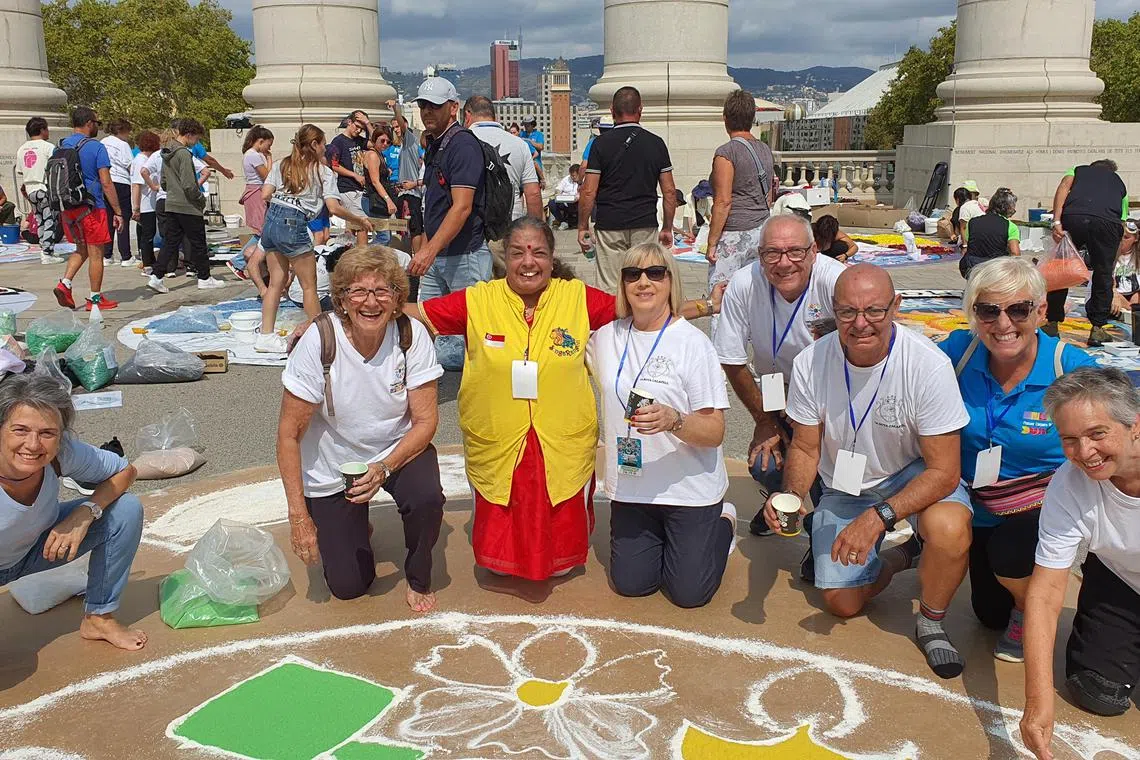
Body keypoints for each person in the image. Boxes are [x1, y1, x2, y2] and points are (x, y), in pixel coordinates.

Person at [410, 216, 724, 581]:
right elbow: (416, 316)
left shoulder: (576, 297)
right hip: (498, 434)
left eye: (539, 253)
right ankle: (503, 562)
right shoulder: (478, 300)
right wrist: (361, 313)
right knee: (504, 506)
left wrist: (705, 306)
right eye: (518, 253)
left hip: (559, 436)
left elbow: (646, 310)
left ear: (552, 257)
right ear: (504, 257)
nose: (529, 262)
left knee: (562, 514)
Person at [763, 264, 975, 679]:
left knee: (949, 528)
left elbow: (945, 472)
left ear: (896, 306)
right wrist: (785, 497)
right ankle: (901, 557)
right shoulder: (810, 363)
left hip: (912, 474)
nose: (861, 324)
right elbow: (806, 446)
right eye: (847, 312)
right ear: (833, 311)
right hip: (847, 482)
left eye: (874, 311)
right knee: (842, 603)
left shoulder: (927, 365)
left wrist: (876, 519)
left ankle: (931, 620)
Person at [938, 258, 1095, 665]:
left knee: (1011, 553)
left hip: (1042, 502)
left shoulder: (1070, 369)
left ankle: (1030, 607)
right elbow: (898, 367)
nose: (1003, 322)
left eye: (1018, 309)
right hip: (979, 502)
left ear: (1041, 312)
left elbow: (1117, 426)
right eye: (989, 310)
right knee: (988, 615)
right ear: (974, 314)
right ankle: (919, 551)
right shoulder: (959, 352)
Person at [279, 246, 444, 611]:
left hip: (396, 450)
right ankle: (353, 528)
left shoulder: (410, 335)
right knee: (348, 586)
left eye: (383, 291)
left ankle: (418, 576)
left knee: (426, 497)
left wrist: (384, 466)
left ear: (398, 298)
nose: (371, 302)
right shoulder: (319, 341)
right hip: (334, 461)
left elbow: (426, 422)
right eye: (358, 291)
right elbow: (289, 435)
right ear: (341, 299)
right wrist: (299, 517)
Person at [587, 243, 734, 608]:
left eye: (655, 273)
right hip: (633, 487)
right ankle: (677, 543)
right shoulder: (605, 337)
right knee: (632, 585)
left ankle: (723, 522)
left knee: (688, 595)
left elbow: (714, 431)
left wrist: (675, 420)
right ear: (622, 285)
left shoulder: (693, 344)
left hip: (688, 490)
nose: (643, 282)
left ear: (671, 281)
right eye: (632, 274)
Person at [1020, 368, 1140, 758]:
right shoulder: (1069, 484)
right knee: (1097, 691)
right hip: (1121, 577)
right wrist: (1038, 702)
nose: (1084, 452)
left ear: (1134, 424)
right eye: (1069, 440)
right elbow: (1047, 591)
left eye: (1097, 434)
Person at [715, 214, 844, 536]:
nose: (783, 263)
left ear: (814, 251)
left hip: (832, 390)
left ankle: (824, 526)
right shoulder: (744, 283)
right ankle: (780, 500)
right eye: (772, 253)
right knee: (764, 463)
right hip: (776, 385)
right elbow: (731, 359)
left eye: (795, 252)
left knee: (831, 472)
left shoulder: (837, 281)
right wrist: (765, 420)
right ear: (760, 256)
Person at [0, 374, 146, 650]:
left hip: (36, 549)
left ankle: (99, 618)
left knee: (125, 509)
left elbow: (126, 471)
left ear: (60, 437)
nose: (32, 445)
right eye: (19, 430)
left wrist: (86, 512)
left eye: (47, 433)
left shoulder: (62, 453)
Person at [255, 124, 373, 353]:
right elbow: (333, 207)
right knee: (309, 286)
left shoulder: (281, 164)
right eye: (323, 143)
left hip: (271, 220)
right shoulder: (322, 171)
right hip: (294, 222)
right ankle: (321, 337)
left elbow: (265, 194)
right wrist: (359, 220)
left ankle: (265, 336)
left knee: (275, 283)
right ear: (315, 145)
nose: (326, 148)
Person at [578, 86, 677, 292]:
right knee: (644, 284)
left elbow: (589, 191)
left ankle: (613, 323)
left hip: (609, 223)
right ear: (640, 110)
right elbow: (669, 192)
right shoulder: (656, 144)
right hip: (644, 223)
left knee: (610, 288)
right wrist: (667, 227)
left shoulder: (600, 144)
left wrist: (582, 226)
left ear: (612, 111)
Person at [410, 77, 491, 299]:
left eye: (435, 105)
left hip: (464, 256)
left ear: (454, 107)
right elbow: (434, 204)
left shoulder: (462, 145)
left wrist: (428, 251)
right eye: (422, 105)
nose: (427, 111)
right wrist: (428, 250)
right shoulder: (437, 144)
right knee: (432, 324)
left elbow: (462, 207)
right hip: (438, 255)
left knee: (468, 328)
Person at [1046, 159, 1130, 346]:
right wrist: (1111, 265)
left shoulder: (1077, 170)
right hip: (1107, 223)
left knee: (1061, 268)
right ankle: (1097, 328)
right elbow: (1122, 223)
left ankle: (1052, 323)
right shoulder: (1119, 183)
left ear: (1093, 167)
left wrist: (1057, 221)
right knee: (1102, 275)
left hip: (1074, 216)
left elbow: (1063, 187)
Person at [53, 106, 125, 312]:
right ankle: (95, 299)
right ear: (88, 123)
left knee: (80, 249)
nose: (97, 127)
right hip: (92, 208)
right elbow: (106, 182)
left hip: (67, 208)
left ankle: (64, 283)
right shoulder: (96, 147)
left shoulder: (59, 146)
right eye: (96, 123)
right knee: (96, 254)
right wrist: (118, 211)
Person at [705, 89, 776, 293]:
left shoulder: (726, 153)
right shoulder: (764, 149)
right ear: (752, 117)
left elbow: (723, 202)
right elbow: (769, 195)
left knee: (723, 295)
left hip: (734, 233)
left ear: (725, 118)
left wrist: (711, 243)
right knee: (756, 294)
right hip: (761, 230)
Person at [464, 96, 542, 276]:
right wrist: (537, 233)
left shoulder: (462, 142)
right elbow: (533, 194)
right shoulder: (519, 144)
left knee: (477, 293)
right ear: (493, 115)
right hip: (509, 228)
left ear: (468, 115)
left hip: (470, 231)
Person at [146, 118, 225, 292]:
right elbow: (189, 184)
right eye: (196, 139)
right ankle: (204, 277)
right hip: (187, 205)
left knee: (171, 241)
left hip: (171, 202)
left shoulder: (166, 152)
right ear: (189, 135)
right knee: (198, 242)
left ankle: (157, 276)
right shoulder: (183, 153)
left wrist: (172, 189)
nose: (196, 142)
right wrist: (199, 198)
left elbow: (164, 181)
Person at [14, 116, 60, 264]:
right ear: (42, 130)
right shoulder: (48, 147)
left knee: (40, 219)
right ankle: (47, 253)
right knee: (49, 220)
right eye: (46, 128)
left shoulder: (22, 149)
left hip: (30, 188)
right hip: (44, 187)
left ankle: (44, 249)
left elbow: (20, 171)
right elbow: (56, 168)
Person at [237, 125, 274, 297]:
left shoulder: (255, 154)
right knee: (261, 229)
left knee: (263, 229)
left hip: (258, 191)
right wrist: (270, 159)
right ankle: (237, 260)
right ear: (260, 141)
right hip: (256, 192)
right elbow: (268, 175)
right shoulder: (253, 155)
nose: (269, 148)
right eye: (268, 144)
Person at [326, 112, 371, 248]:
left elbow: (375, 142)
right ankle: (362, 255)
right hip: (347, 187)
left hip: (359, 188)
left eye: (361, 129)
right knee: (362, 223)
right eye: (357, 126)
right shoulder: (338, 141)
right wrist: (354, 175)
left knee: (352, 224)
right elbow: (334, 165)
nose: (358, 130)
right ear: (349, 123)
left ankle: (348, 253)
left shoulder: (359, 140)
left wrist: (368, 123)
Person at [387, 99, 426, 254]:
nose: (396, 130)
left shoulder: (410, 142)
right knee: (404, 230)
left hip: (412, 194)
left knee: (415, 229)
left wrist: (395, 108)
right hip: (403, 193)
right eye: (393, 128)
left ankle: (416, 258)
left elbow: (402, 126)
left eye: (397, 126)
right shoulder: (401, 146)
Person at [960, 187, 1020, 278]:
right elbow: (1015, 253)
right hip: (996, 270)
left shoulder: (972, 222)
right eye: (1013, 209)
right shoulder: (1011, 226)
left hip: (972, 268)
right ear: (1007, 209)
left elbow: (970, 242)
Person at [100, 118, 135, 266]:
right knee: (123, 217)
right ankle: (125, 255)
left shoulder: (102, 143)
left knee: (108, 219)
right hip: (121, 181)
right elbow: (129, 165)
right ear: (121, 131)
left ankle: (107, 254)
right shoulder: (123, 145)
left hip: (105, 181)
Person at [129, 130, 161, 275]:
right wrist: (136, 207)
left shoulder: (144, 159)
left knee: (149, 233)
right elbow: (136, 185)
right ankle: (147, 264)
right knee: (147, 235)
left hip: (150, 202)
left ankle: (149, 260)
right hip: (145, 204)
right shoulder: (140, 160)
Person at [363, 125, 398, 228]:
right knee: (383, 237)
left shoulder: (380, 154)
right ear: (375, 139)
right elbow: (375, 181)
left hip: (378, 198)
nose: (385, 144)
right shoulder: (373, 155)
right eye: (382, 140)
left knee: (385, 235)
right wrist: (388, 200)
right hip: (372, 199)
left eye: (388, 142)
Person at [1110, 220, 1140, 317]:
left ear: (1135, 239)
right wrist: (1115, 294)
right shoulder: (1109, 254)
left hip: (1133, 294)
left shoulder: (1137, 255)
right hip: (1115, 294)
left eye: (1126, 238)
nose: (1121, 241)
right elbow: (1103, 280)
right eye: (1120, 237)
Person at [550, 164, 581, 229]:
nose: (572, 177)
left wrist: (577, 198)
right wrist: (557, 192)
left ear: (579, 174)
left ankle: (570, 222)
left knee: (573, 204)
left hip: (576, 202)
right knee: (552, 203)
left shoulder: (583, 180)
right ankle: (563, 221)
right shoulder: (567, 179)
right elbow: (559, 188)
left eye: (574, 176)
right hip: (564, 201)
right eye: (571, 175)